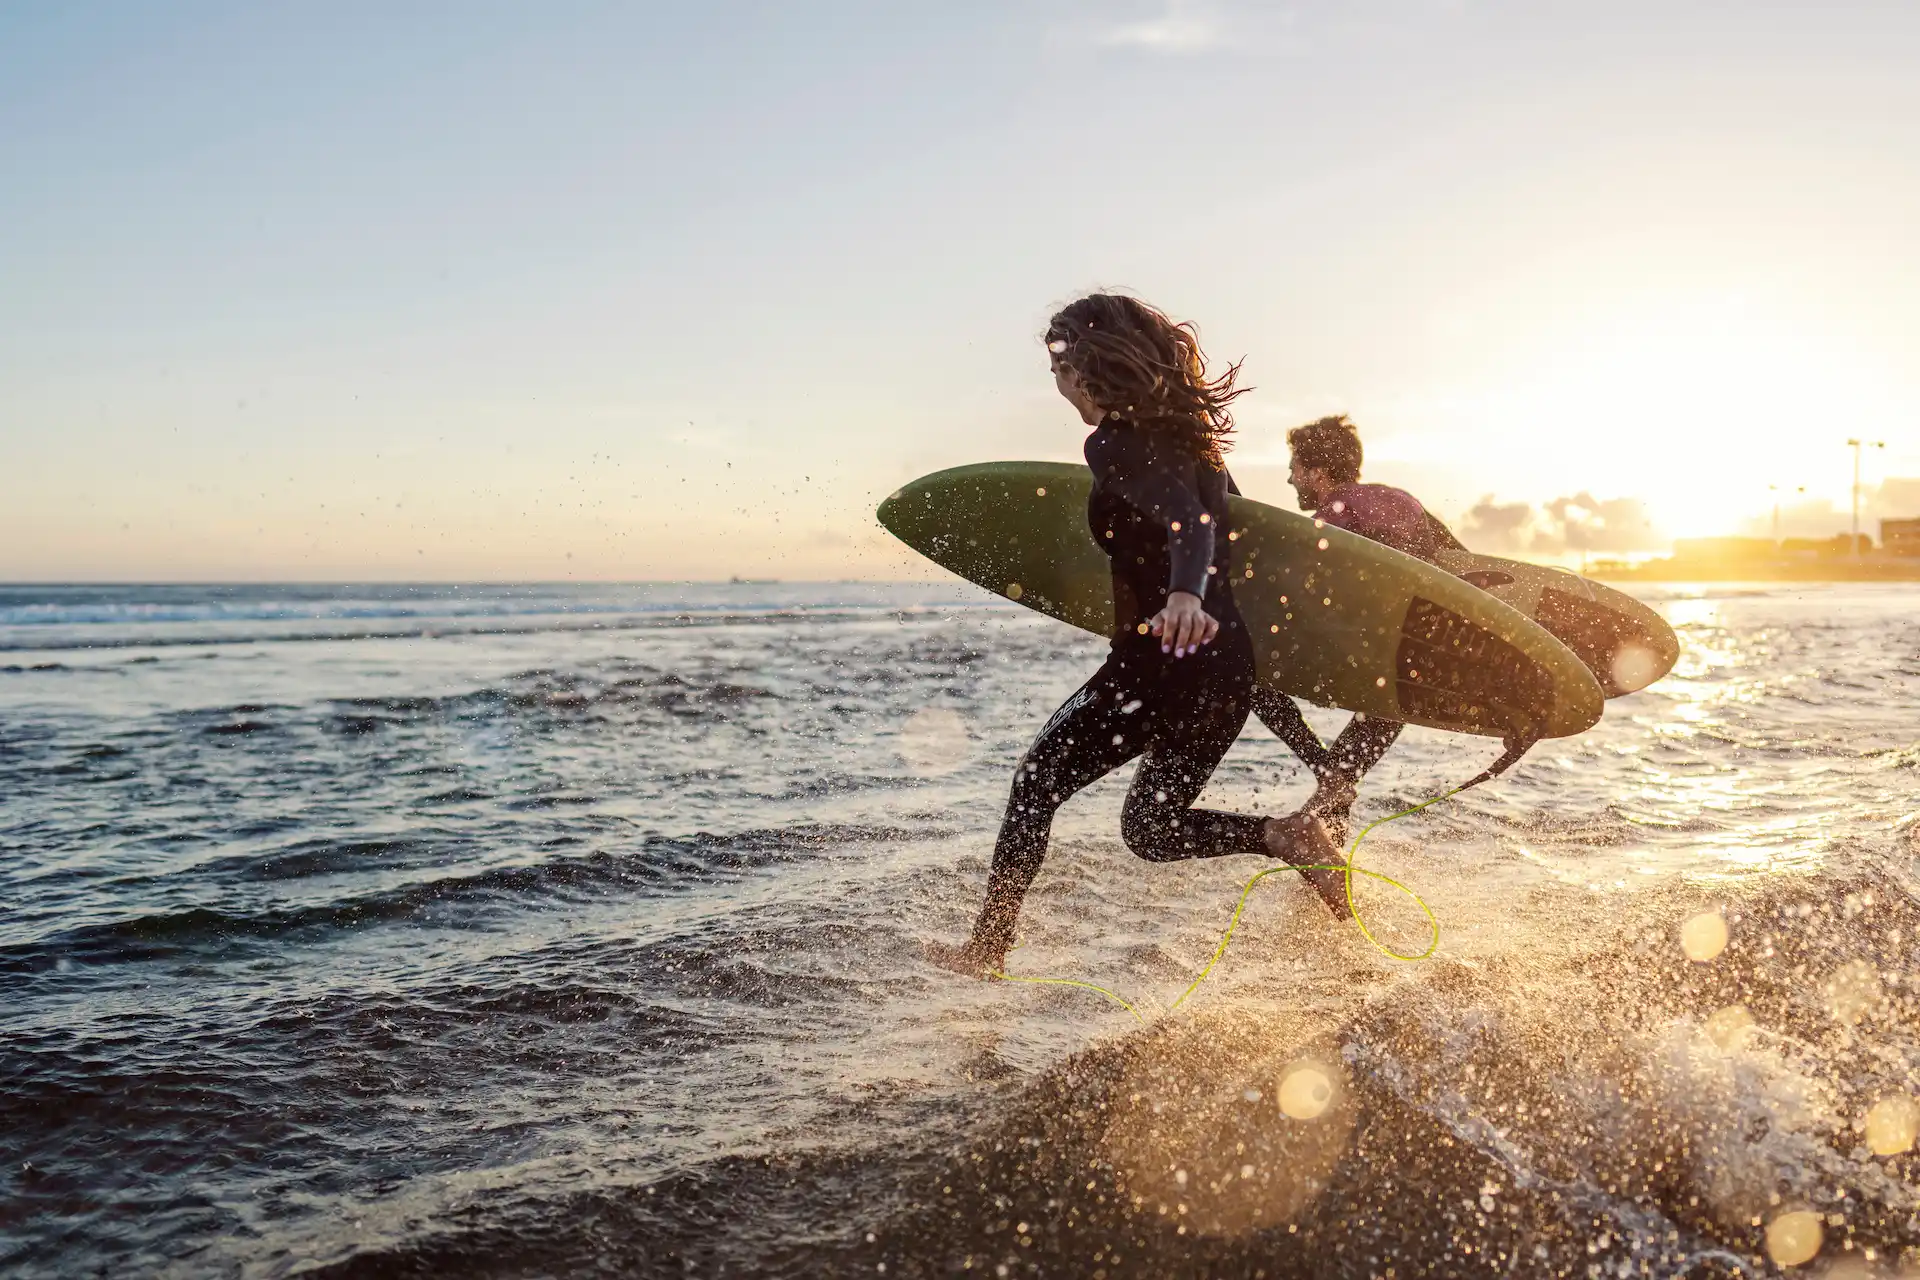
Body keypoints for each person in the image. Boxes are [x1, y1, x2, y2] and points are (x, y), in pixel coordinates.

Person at [927, 296, 1348, 979]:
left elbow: (1188, 523)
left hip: (1160, 663)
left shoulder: (1114, 443)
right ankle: (1284, 835)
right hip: (1224, 668)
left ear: (1091, 368)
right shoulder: (1202, 447)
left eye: (1061, 363)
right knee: (1151, 828)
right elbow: (1225, 537)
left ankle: (988, 950)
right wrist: (1300, 736)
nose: (1057, 381)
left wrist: (1182, 594)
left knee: (1037, 781)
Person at [1249, 415, 1467, 841]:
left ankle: (1323, 771)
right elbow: (1461, 566)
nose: (1290, 478)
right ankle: (1325, 859)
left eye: (1295, 467)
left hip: (1360, 650)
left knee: (1244, 674)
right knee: (1361, 750)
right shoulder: (1405, 501)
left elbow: (1294, 585)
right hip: (1407, 665)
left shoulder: (1335, 512)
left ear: (1317, 471)